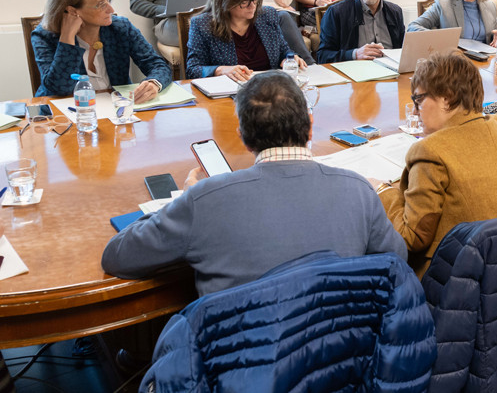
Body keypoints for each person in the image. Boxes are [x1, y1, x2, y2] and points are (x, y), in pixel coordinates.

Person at [101, 71, 406, 297]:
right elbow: (398, 260)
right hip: (345, 352)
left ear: (244, 138)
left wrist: (184, 200)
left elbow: (118, 256)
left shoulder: (205, 199)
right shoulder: (359, 190)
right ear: (311, 126)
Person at [374, 52, 497, 277]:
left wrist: (383, 191)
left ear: (446, 98)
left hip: (454, 280)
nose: (415, 111)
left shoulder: (430, 150)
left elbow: (412, 238)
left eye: (418, 100)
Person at [32, 0, 171, 100]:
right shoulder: (45, 36)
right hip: (67, 112)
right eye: (101, 4)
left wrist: (154, 83)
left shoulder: (121, 27)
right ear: (72, 11)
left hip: (117, 108)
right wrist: (67, 38)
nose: (111, 9)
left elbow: (158, 65)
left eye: (108, 0)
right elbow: (59, 89)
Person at [186, 0, 306, 80]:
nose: (253, 5)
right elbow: (192, 70)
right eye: (244, 1)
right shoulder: (202, 24)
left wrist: (289, 58)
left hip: (269, 86)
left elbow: (284, 50)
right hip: (230, 90)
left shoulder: (268, 15)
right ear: (225, 1)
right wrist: (220, 70)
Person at [317, 0, 404, 64]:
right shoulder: (336, 13)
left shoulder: (395, 12)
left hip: (392, 70)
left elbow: (403, 50)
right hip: (354, 71)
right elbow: (323, 56)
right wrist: (355, 54)